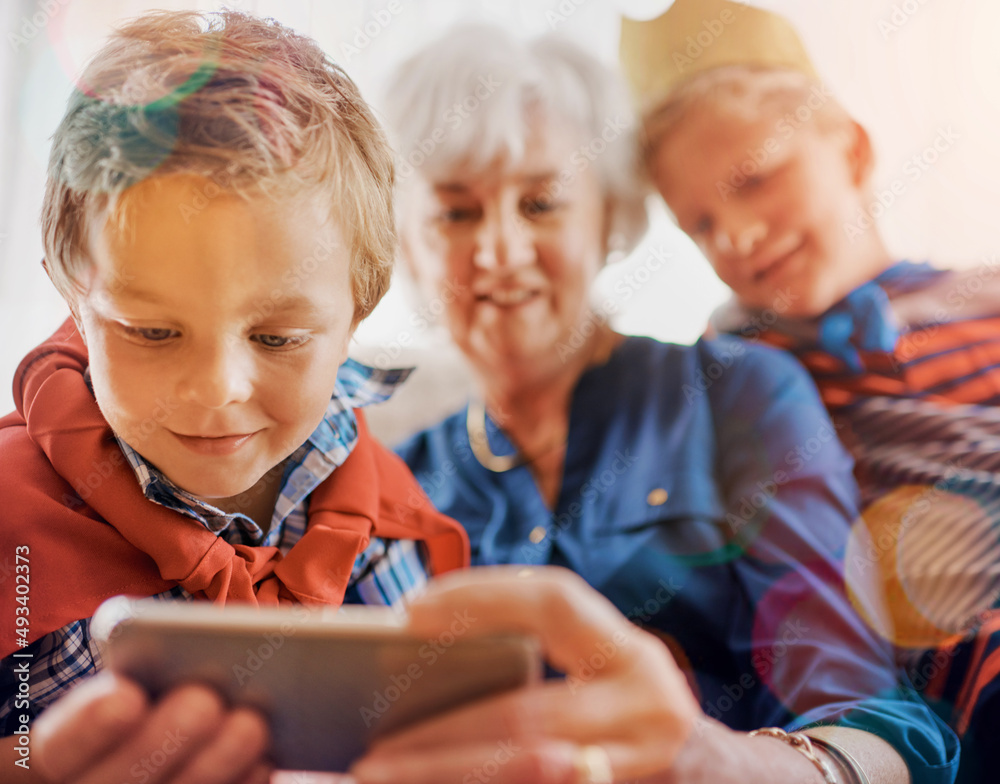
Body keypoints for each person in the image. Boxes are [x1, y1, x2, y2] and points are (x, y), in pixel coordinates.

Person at [384, 23, 959, 784]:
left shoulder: (737, 395)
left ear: (606, 217)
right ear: (406, 241)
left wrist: (717, 762)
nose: (499, 250)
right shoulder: (388, 483)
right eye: (456, 213)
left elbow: (879, 723)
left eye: (542, 203)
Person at [0, 10, 475, 782]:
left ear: (360, 307)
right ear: (70, 296)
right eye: (152, 332)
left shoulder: (388, 517)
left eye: (278, 338)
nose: (218, 390)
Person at [621, 1, 1000, 780]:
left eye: (756, 180)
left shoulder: (985, 301)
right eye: (700, 224)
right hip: (940, 677)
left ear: (853, 151)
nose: (738, 238)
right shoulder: (734, 372)